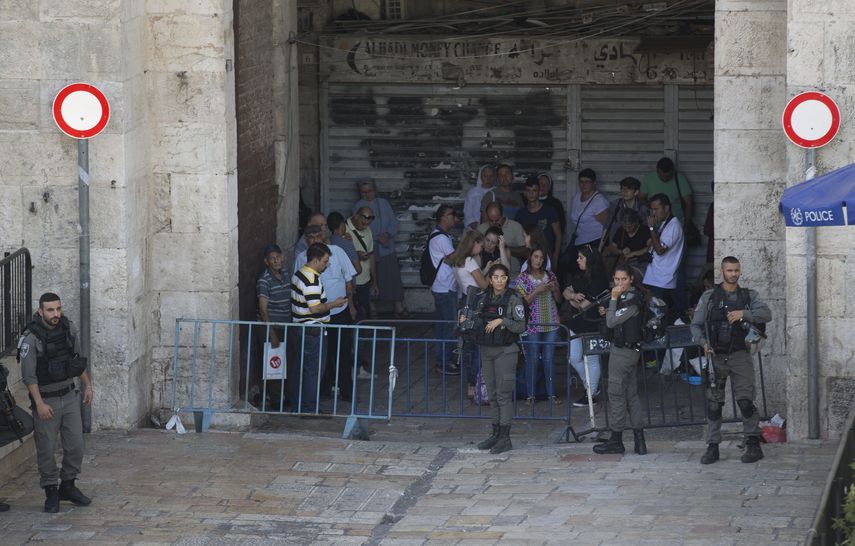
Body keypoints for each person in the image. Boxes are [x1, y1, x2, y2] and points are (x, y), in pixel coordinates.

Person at [690, 256, 772, 464]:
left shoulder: (748, 296)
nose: (733, 274)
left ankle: (753, 443)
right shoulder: (710, 297)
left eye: (736, 270)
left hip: (739, 355)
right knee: (714, 404)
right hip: (716, 356)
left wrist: (743, 313)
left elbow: (766, 314)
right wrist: (703, 343)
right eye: (729, 270)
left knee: (745, 401)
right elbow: (695, 325)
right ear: (722, 271)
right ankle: (712, 446)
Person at [19, 292, 93, 512]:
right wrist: (39, 404)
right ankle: (51, 490)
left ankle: (68, 485)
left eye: (58, 309)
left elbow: (77, 360)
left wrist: (88, 385)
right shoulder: (31, 338)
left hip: (69, 396)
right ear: (40, 311)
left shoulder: (68, 329)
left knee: (76, 445)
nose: (56, 314)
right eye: (50, 310)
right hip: (46, 400)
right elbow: (29, 377)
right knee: (46, 449)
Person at [467, 263, 527, 454]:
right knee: (492, 395)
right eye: (496, 277)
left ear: (507, 279)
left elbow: (521, 326)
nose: (499, 281)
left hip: (506, 351)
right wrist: (466, 320)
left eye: (503, 277)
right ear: (490, 280)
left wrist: (503, 320)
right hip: (486, 350)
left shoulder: (514, 298)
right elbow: (476, 320)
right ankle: (495, 434)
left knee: (503, 395)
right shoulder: (483, 298)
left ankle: (505, 438)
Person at [294, 225, 358, 402]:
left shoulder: (337, 251)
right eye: (311, 237)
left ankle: (347, 391)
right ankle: (323, 391)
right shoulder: (301, 258)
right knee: (323, 354)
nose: (315, 240)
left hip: (340, 311)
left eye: (318, 236)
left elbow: (349, 279)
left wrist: (351, 305)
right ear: (306, 240)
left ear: (324, 236)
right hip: (317, 316)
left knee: (343, 351)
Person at [593, 265, 648, 455]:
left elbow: (611, 322)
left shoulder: (631, 300)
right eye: (617, 279)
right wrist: (610, 307)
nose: (619, 283)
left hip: (623, 353)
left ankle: (616, 440)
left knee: (616, 394)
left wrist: (613, 300)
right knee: (631, 395)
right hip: (628, 351)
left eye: (624, 279)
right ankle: (640, 443)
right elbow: (613, 318)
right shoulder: (628, 298)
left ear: (631, 279)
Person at [290, 243, 348, 413]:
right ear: (315, 260)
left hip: (300, 328)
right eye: (324, 261)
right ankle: (309, 408)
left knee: (300, 370)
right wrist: (334, 304)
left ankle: (298, 405)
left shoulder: (299, 273)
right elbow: (315, 308)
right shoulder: (312, 279)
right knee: (313, 371)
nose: (326, 265)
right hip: (312, 330)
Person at [352, 179, 406, 317]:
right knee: (370, 276)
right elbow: (357, 228)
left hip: (386, 246)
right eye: (363, 192)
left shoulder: (383, 203)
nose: (367, 194)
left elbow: (394, 222)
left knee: (391, 276)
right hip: (368, 246)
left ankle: (398, 306)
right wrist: (376, 238)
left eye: (369, 191)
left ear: (375, 190)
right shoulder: (358, 206)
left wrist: (387, 234)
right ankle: (372, 307)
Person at [445, 230, 490, 394]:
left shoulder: (458, 261)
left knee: (468, 346)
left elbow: (470, 281)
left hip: (465, 301)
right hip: (476, 304)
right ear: (474, 243)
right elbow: (483, 285)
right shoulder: (470, 261)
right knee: (477, 347)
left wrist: (485, 269)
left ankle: (470, 385)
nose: (482, 247)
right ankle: (475, 383)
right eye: (480, 244)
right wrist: (493, 273)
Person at [563, 246, 609, 406]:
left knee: (591, 360)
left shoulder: (600, 278)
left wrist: (571, 300)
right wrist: (572, 296)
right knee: (573, 358)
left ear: (590, 259)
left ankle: (590, 393)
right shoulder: (579, 275)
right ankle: (591, 388)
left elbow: (584, 306)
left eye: (581, 257)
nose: (578, 260)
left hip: (592, 324)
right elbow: (566, 291)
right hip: (576, 324)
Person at [515, 247, 562, 404]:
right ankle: (531, 395)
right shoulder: (521, 278)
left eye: (541, 258)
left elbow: (559, 300)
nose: (538, 260)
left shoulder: (550, 275)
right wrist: (538, 290)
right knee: (532, 358)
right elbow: (523, 302)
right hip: (532, 324)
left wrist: (555, 290)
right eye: (536, 257)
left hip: (551, 322)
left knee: (549, 358)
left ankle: (551, 395)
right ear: (530, 258)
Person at [255, 243, 292, 409]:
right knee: (274, 364)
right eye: (272, 258)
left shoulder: (286, 274)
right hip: (271, 328)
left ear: (282, 257)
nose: (276, 260)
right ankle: (276, 400)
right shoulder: (264, 280)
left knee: (287, 362)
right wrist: (271, 334)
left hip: (286, 326)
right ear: (266, 261)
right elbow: (263, 309)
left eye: (278, 257)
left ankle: (287, 396)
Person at [429, 205, 460, 375]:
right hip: (445, 288)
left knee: (443, 327)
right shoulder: (441, 238)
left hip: (442, 287)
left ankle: (442, 361)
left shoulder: (440, 236)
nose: (455, 218)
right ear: (443, 217)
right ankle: (445, 362)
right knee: (449, 327)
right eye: (452, 214)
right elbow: (455, 258)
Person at [564, 168, 610, 280]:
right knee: (573, 271)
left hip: (594, 243)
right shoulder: (576, 197)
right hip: (578, 242)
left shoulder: (599, 201)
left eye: (587, 182)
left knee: (589, 274)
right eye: (581, 182)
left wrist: (603, 248)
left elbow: (607, 226)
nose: (583, 185)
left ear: (594, 183)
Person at [642, 194, 685, 312]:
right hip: (656, 277)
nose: (653, 213)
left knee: (658, 314)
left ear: (666, 208)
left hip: (663, 280)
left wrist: (651, 228)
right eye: (652, 210)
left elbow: (660, 250)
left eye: (656, 209)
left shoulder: (674, 226)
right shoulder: (664, 224)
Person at [515, 176, 562, 267]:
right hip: (528, 259)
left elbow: (558, 235)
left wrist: (555, 256)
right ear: (525, 193)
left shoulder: (550, 210)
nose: (531, 194)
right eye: (528, 190)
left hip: (547, 257)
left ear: (539, 192)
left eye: (534, 190)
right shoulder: (520, 214)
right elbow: (518, 239)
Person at [346, 207, 379, 321]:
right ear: (356, 216)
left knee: (363, 316)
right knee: (351, 317)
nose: (366, 224)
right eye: (364, 220)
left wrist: (374, 282)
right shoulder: (343, 228)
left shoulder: (368, 230)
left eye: (370, 220)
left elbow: (371, 256)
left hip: (365, 282)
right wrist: (356, 254)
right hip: (350, 283)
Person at [640, 157, 693, 225]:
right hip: (655, 224)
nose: (665, 179)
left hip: (676, 223)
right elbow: (641, 198)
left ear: (672, 171)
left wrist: (687, 223)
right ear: (657, 170)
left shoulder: (680, 179)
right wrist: (653, 206)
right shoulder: (648, 179)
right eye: (661, 176)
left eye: (668, 176)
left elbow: (689, 203)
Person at [478, 202, 527, 275]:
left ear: (502, 215)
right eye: (491, 220)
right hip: (485, 275)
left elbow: (525, 251)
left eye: (497, 220)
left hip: (512, 274)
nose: (494, 223)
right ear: (487, 217)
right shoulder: (481, 228)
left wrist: (503, 247)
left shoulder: (515, 226)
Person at [602, 209, 652, 277]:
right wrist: (621, 251)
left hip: (642, 263)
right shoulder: (621, 231)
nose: (627, 229)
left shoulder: (644, 230)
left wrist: (633, 253)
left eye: (630, 226)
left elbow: (651, 247)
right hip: (625, 263)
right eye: (625, 226)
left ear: (636, 221)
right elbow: (612, 247)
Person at [602, 177, 648, 245]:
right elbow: (607, 226)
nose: (625, 192)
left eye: (629, 189)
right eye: (623, 189)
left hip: (635, 246)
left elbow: (646, 231)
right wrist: (602, 246)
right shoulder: (615, 205)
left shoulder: (642, 209)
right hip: (615, 245)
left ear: (636, 192)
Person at [327, 211, 362, 276]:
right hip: (348, 281)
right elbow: (358, 270)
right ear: (342, 224)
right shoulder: (347, 243)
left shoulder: (328, 241)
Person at [464, 165, 496, 230]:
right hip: (473, 228)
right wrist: (477, 227)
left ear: (494, 177)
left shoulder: (497, 191)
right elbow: (467, 212)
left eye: (491, 176)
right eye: (485, 176)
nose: (488, 179)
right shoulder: (473, 192)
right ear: (481, 177)